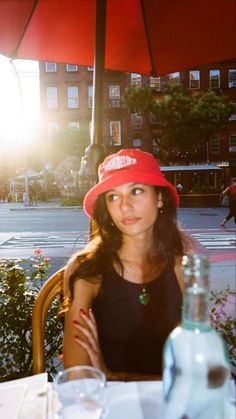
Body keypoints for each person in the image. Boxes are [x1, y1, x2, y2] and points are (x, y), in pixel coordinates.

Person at [62, 149, 192, 381]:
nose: (124, 206)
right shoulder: (86, 270)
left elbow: (193, 373)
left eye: (136, 191)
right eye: (113, 196)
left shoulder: (183, 269)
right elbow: (77, 378)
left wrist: (112, 376)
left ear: (160, 197)